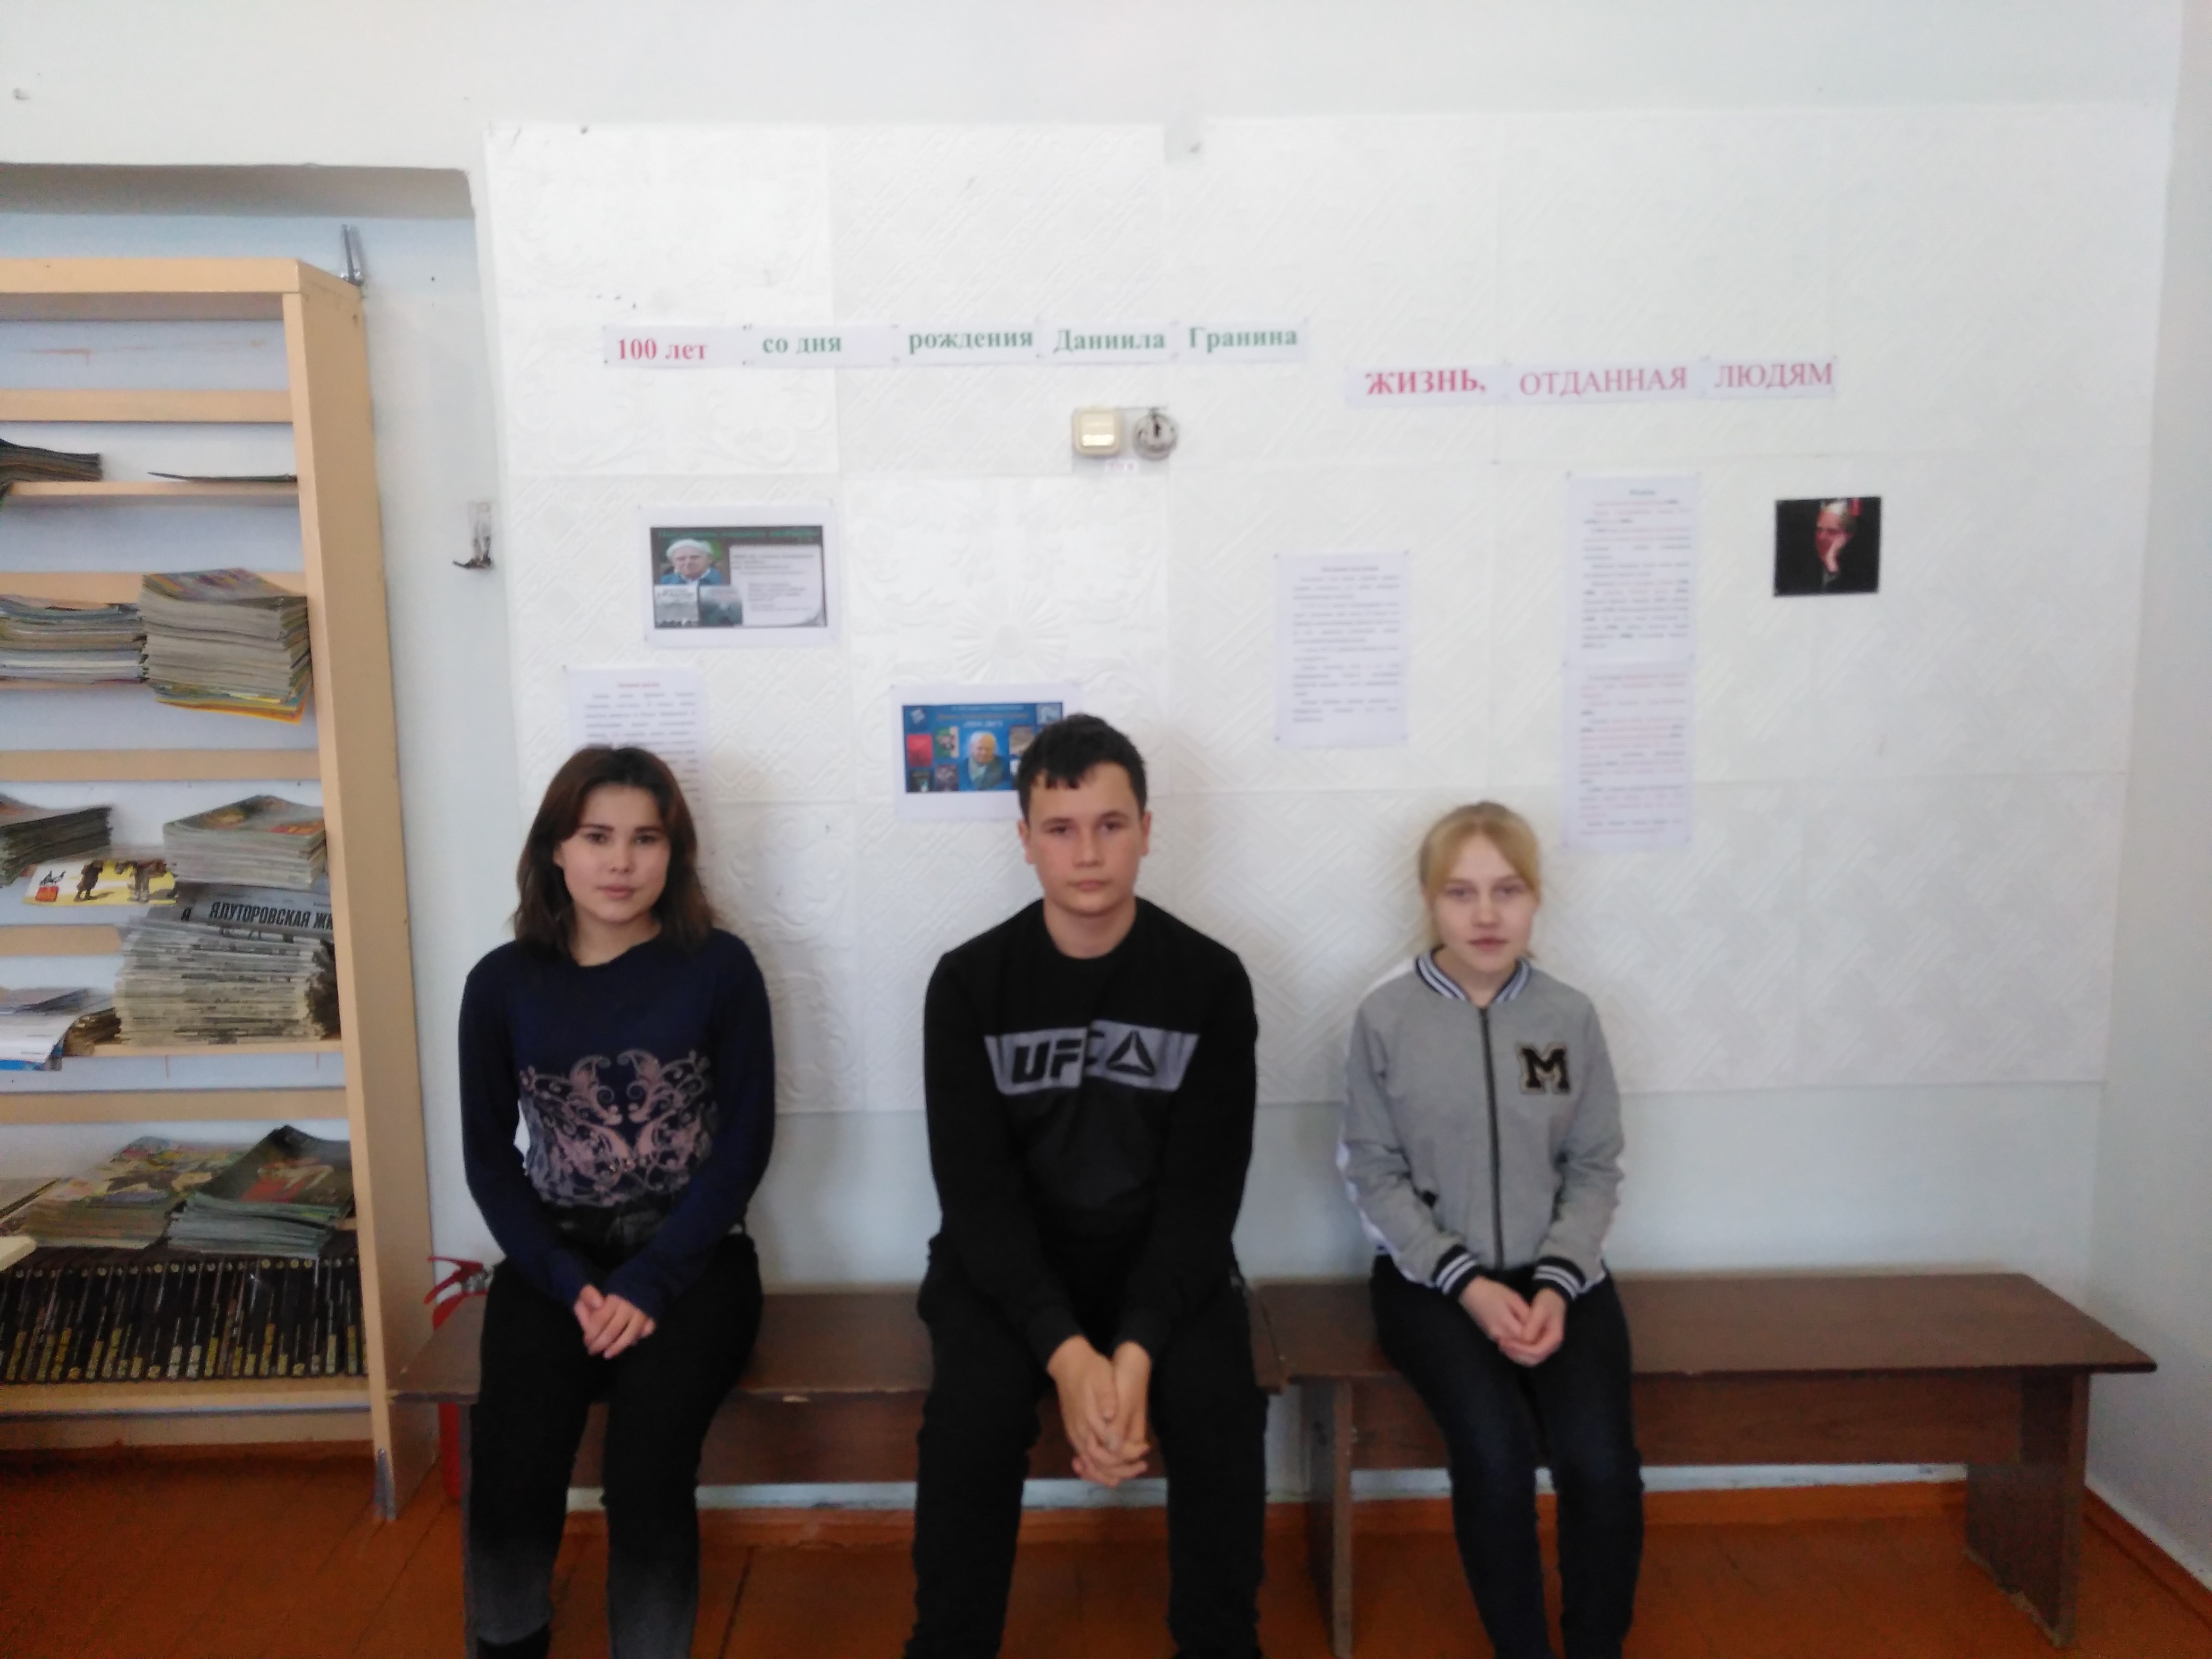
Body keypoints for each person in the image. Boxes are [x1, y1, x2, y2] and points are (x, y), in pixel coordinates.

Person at [905, 714, 1267, 1659]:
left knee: (1221, 1406)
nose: (1089, 852)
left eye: (1110, 825)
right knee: (973, 1416)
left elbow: (1204, 1197)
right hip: (1006, 1269)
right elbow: (976, 1198)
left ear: (1147, 828)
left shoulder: (1210, 981)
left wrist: (1133, 1352)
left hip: (1163, 1263)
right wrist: (1069, 1356)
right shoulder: (969, 983)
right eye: (1061, 830)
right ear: (1025, 840)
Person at [458, 745, 775, 1659]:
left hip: (695, 1262)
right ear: (556, 849)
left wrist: (652, 1280)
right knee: (513, 1460)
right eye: (597, 837)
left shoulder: (720, 969)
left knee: (648, 1467)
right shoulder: (501, 983)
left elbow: (745, 1145)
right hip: (552, 1262)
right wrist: (568, 1280)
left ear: (675, 853)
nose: (622, 862)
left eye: (647, 839)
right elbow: (489, 1161)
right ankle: (507, 1643)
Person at [1337, 802, 1642, 1659]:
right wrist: (1468, 1285)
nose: (1485, 914)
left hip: (1562, 1281)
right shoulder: (1386, 1019)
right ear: (1429, 901)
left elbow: (1594, 1166)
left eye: (1507, 891)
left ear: (1536, 898)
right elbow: (1374, 1171)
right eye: (1461, 892)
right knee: (1496, 1454)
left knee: (1601, 1462)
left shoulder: (1570, 1016)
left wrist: (1556, 1282)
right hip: (1431, 1285)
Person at [1773, 496, 1879, 594]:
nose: (1822, 537)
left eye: (1832, 532)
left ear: (1847, 537)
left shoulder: (1860, 570)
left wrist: (1832, 566)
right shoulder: (1801, 564)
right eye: (1819, 530)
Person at [658, 538, 727, 584]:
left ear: (709, 559)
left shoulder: (726, 581)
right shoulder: (662, 583)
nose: (688, 563)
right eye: (681, 559)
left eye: (695, 557)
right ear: (672, 562)